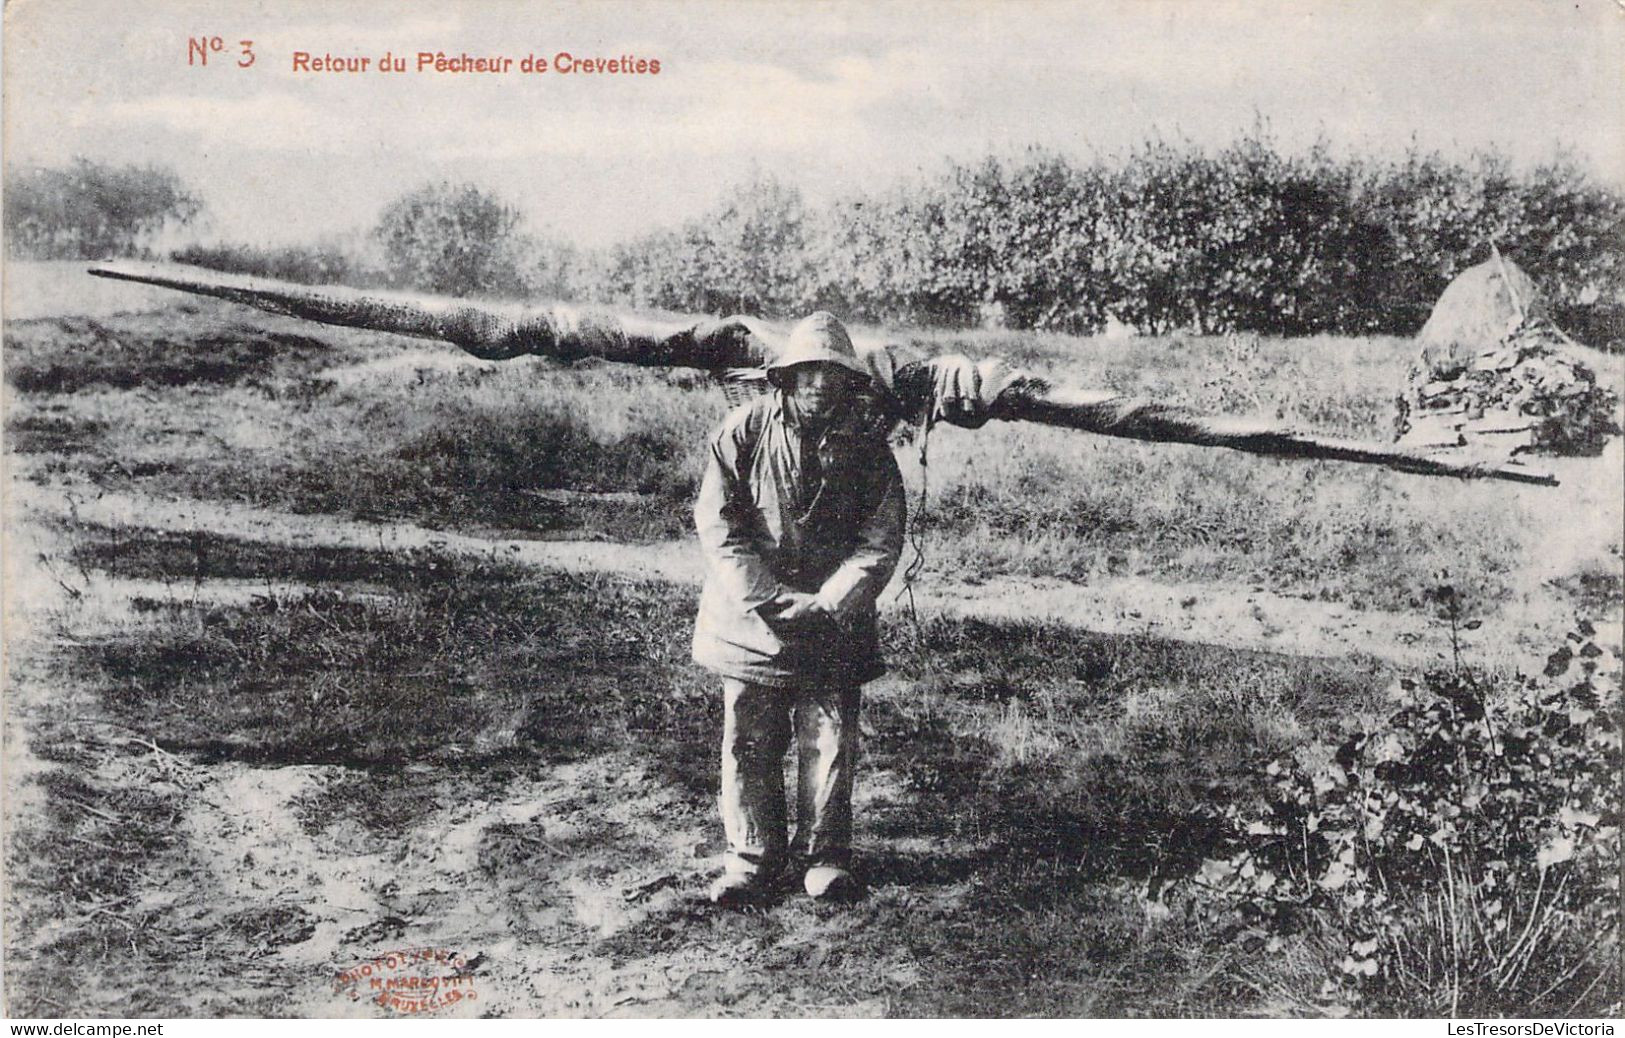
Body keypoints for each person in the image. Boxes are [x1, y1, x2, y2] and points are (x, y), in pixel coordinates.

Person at [692, 311, 906, 906]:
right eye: (806, 373)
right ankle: (750, 859)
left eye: (831, 375)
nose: (818, 386)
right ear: (784, 377)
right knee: (749, 740)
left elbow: (882, 537)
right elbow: (719, 525)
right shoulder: (742, 431)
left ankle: (826, 856)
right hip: (752, 619)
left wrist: (835, 598)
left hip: (833, 622)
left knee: (831, 738)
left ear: (846, 383)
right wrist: (769, 598)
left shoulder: (867, 447)